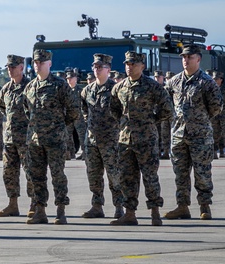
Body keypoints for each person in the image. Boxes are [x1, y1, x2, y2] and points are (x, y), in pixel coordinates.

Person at [109, 51, 174, 225]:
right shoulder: (119, 87)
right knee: (127, 177)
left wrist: (151, 120)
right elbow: (114, 108)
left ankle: (155, 213)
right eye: (127, 64)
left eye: (133, 64)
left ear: (142, 66)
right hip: (125, 140)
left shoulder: (152, 86)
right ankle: (130, 213)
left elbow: (167, 109)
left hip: (146, 139)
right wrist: (124, 123)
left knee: (150, 176)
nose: (129, 67)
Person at [164, 45, 224, 220]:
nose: (185, 60)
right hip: (178, 135)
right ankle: (182, 206)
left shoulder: (207, 82)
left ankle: (205, 207)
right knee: (180, 174)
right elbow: (166, 103)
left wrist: (198, 120)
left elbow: (216, 107)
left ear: (198, 59)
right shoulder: (174, 82)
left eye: (189, 57)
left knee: (202, 173)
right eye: (183, 57)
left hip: (200, 136)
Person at [23, 49, 79, 225]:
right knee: (36, 176)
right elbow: (27, 111)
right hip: (35, 140)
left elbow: (73, 110)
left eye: (41, 62)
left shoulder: (59, 85)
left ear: (49, 64)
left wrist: (60, 126)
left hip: (55, 140)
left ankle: (61, 210)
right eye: (35, 62)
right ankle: (40, 210)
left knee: (57, 175)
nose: (37, 65)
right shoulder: (30, 87)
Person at [80, 54, 124, 220]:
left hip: (111, 141)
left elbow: (122, 112)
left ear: (108, 69)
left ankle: (119, 207)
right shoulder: (87, 90)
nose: (96, 70)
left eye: (100, 67)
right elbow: (84, 110)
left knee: (115, 176)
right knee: (94, 175)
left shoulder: (115, 90)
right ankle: (97, 206)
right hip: (91, 141)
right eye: (95, 67)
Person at [0, 55, 33, 217]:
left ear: (21, 67)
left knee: (31, 172)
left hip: (27, 138)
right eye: (8, 67)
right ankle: (13, 204)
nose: (10, 70)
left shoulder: (30, 87)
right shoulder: (6, 89)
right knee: (9, 172)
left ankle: (35, 204)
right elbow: (3, 109)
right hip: (10, 139)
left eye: (13, 67)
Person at [65, 68, 88, 160]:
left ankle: (84, 153)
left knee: (81, 135)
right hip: (69, 116)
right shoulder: (66, 90)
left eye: (71, 78)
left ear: (76, 79)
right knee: (67, 135)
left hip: (79, 116)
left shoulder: (80, 90)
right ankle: (70, 153)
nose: (69, 80)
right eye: (67, 78)